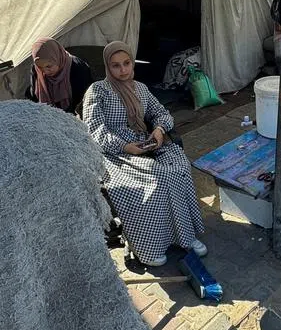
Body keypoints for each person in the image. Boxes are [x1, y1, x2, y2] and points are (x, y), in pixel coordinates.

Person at [83, 41, 205, 267]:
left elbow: (162, 113)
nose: (123, 70)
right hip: (113, 152)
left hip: (145, 142)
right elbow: (94, 131)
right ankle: (150, 247)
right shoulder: (97, 91)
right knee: (154, 180)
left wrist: (158, 131)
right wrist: (125, 147)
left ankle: (186, 236)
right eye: (116, 66)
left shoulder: (140, 88)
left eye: (127, 63)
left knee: (179, 167)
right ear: (108, 67)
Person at [27, 37, 93, 114]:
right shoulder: (36, 70)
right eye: (40, 67)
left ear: (58, 58)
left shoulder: (78, 68)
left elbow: (84, 101)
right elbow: (34, 98)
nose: (45, 71)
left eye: (49, 66)